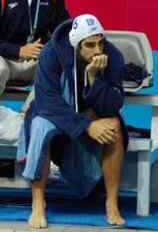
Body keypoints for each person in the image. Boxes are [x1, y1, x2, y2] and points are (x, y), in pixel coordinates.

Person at [18, 14, 127, 228]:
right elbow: (47, 101)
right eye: (90, 45)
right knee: (40, 125)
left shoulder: (112, 55)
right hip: (54, 111)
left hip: (88, 111)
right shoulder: (52, 52)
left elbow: (113, 105)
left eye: (100, 43)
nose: (98, 50)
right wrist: (85, 126)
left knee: (114, 125)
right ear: (76, 44)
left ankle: (111, 203)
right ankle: (38, 203)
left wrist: (94, 78)